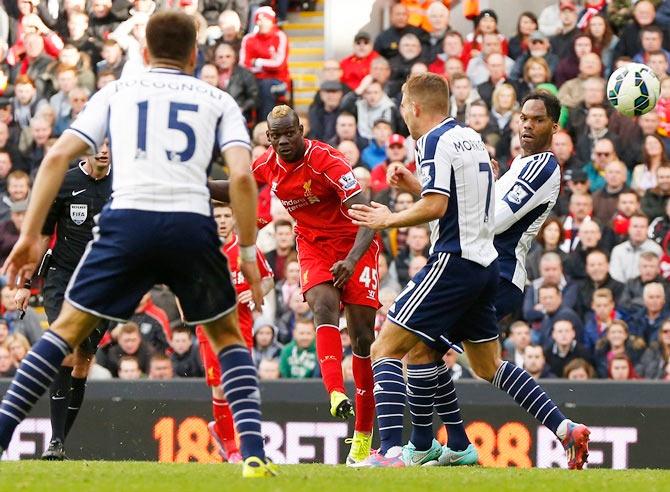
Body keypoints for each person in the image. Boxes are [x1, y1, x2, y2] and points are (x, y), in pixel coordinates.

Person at [0, 12, 275, 478]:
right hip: (190, 222)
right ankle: (252, 455)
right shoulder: (217, 99)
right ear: (194, 55)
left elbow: (57, 157)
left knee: (64, 331)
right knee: (228, 337)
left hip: (127, 221)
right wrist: (247, 253)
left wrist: (29, 238)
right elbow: (244, 179)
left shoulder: (117, 92)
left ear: (145, 53)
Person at [349, 76, 588, 469]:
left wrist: (398, 213)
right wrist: (420, 188)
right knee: (475, 363)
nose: (527, 126)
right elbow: (467, 208)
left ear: (554, 128)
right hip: (485, 267)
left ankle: (403, 448)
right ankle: (557, 430)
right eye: (523, 118)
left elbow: (485, 218)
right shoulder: (510, 159)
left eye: (537, 120)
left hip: (492, 269)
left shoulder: (543, 166)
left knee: (400, 349)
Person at [209, 105, 382, 466]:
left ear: (301, 130)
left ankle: (363, 437)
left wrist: (351, 261)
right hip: (313, 245)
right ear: (268, 139)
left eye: (291, 133)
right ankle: (335, 391)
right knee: (321, 305)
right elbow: (237, 188)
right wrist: (195, 183)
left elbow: (368, 216)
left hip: (355, 244)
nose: (285, 141)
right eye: (277, 136)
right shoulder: (268, 164)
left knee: (364, 338)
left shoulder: (328, 161)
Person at [11, 140, 111, 460]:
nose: (104, 150)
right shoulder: (66, 183)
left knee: (82, 362)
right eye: (99, 143)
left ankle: (59, 442)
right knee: (65, 350)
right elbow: (43, 237)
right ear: (86, 148)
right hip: (62, 279)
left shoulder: (124, 185)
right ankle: (56, 443)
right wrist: (27, 284)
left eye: (111, 144)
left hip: (103, 283)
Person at [195, 201, 274, 462]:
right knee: (219, 386)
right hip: (210, 329)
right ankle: (231, 450)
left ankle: (224, 431)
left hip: (241, 327)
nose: (221, 220)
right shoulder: (202, 250)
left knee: (238, 384)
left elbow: (268, 278)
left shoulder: (245, 250)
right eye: (216, 216)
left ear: (234, 219)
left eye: (227, 215)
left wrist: (255, 293)